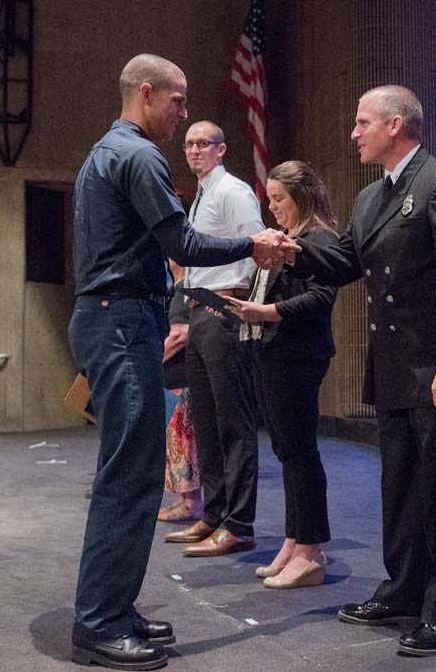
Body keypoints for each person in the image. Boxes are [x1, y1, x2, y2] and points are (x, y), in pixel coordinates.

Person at [68, 54, 297, 671]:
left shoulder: (106, 151)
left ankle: (113, 606)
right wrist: (252, 244)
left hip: (112, 315)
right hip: (120, 320)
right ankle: (98, 622)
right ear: (147, 92)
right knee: (130, 474)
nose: (185, 111)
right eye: (179, 100)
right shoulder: (139, 156)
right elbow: (182, 244)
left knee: (133, 469)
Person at [288, 86, 436, 655]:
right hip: (394, 369)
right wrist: (293, 252)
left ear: (396, 124)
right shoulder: (370, 197)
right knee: (400, 486)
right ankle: (405, 590)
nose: (353, 133)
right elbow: (345, 261)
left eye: (362, 123)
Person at [224, 161, 338, 589]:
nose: (272, 209)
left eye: (279, 199)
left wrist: (264, 312)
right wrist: (238, 300)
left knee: (301, 452)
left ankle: (310, 551)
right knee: (288, 452)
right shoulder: (289, 238)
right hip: (271, 352)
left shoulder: (319, 240)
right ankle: (294, 541)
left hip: (298, 355)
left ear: (302, 196)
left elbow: (320, 298)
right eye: (269, 200)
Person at [164, 121, 265, 557]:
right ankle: (213, 514)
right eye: (189, 143)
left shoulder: (233, 192)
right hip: (200, 310)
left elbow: (256, 249)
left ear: (222, 149)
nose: (195, 150)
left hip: (225, 309)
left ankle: (239, 524)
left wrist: (239, 302)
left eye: (204, 143)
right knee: (205, 423)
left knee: (233, 424)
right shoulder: (202, 195)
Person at [158, 261, 202, 522]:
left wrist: (152, 361)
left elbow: (180, 335)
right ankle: (185, 499)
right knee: (178, 442)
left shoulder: (186, 287)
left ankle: (192, 503)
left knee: (185, 443)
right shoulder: (178, 288)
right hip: (176, 378)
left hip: (183, 378)